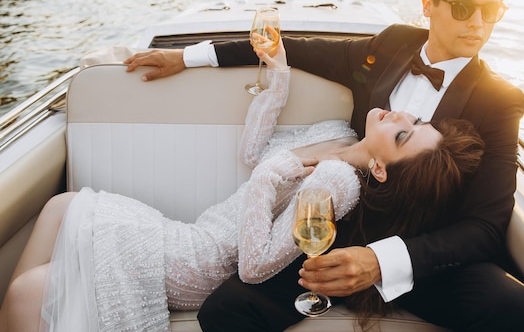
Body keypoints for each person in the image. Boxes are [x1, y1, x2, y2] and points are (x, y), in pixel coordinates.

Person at [122, 0, 524, 332]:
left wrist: (379, 262)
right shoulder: (391, 47)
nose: (478, 24)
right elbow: (298, 47)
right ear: (428, 4)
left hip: (417, 251)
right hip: (335, 228)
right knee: (225, 310)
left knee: (517, 309)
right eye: (462, 8)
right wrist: (191, 56)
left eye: (490, 11)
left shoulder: (500, 100)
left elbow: (486, 226)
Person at [0, 38, 485, 332]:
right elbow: (254, 154)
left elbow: (254, 268)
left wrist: (271, 177)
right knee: (61, 206)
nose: (399, 113)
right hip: (189, 232)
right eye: (413, 117)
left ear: (381, 169)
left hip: (202, 262)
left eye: (402, 133)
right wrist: (276, 79)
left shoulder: (339, 183)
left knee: (28, 292)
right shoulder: (339, 133)